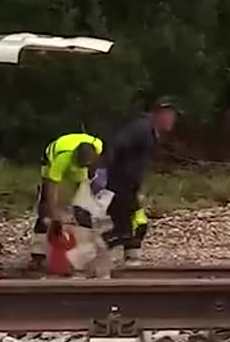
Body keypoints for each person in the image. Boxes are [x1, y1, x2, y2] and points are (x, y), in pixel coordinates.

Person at [99, 98, 179, 265]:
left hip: (128, 187)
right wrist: (112, 176)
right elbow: (118, 145)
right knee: (125, 230)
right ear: (159, 114)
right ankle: (90, 250)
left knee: (138, 225)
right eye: (169, 115)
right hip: (119, 186)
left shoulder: (149, 131)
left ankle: (132, 261)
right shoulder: (142, 129)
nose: (172, 120)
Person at [29, 133, 105, 271]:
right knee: (46, 209)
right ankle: (38, 254)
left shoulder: (98, 146)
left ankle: (82, 255)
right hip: (51, 159)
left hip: (80, 167)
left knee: (82, 209)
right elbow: (53, 185)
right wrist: (55, 213)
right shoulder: (62, 159)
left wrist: (78, 209)